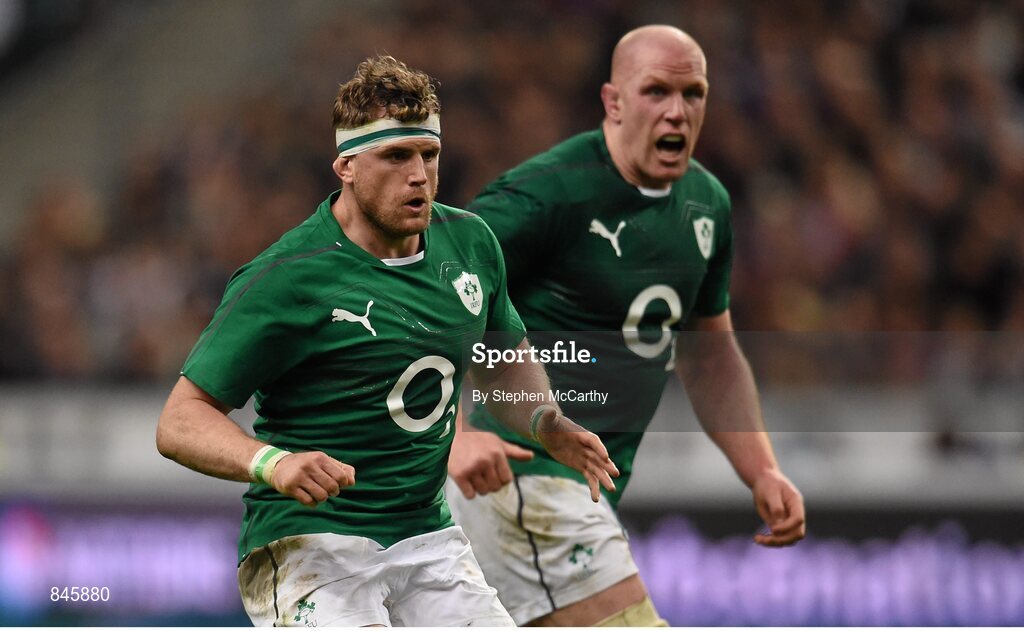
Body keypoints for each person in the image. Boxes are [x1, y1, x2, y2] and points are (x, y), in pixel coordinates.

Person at [156, 55, 619, 628]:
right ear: (346, 166)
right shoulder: (288, 278)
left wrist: (547, 423)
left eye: (429, 154)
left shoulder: (471, 245)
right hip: (310, 544)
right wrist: (271, 462)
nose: (419, 174)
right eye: (397, 156)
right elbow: (179, 421)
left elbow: (502, 362)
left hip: (426, 539)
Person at [446, 25, 806, 626]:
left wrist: (761, 469)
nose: (677, 111)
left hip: (578, 494)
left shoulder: (706, 205)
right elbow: (434, 289)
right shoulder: (548, 194)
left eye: (693, 93)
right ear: (613, 102)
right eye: (656, 91)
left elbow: (711, 356)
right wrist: (453, 435)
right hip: (524, 479)